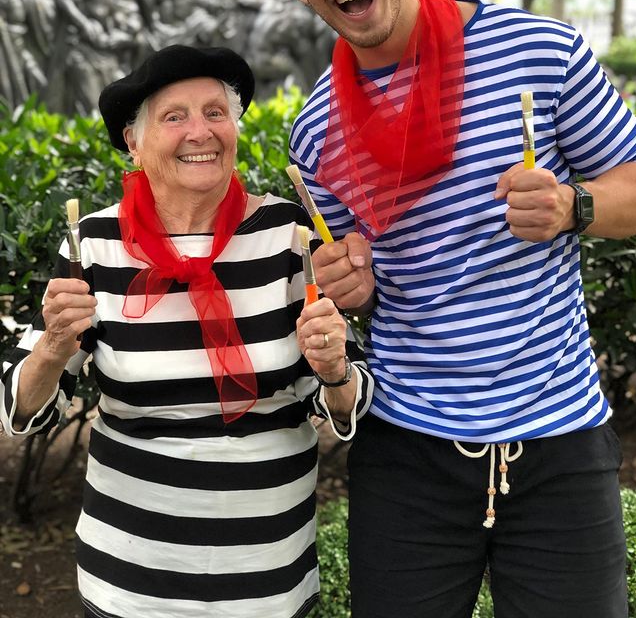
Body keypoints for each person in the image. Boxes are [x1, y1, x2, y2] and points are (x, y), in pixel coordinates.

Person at [262, 0, 636, 618]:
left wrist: (576, 206)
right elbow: (358, 283)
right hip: (408, 456)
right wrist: (353, 288)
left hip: (560, 441)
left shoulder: (542, 52)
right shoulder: (314, 131)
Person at [0, 44, 372, 618]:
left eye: (215, 113)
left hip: (266, 576)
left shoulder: (288, 235)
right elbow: (21, 410)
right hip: (130, 578)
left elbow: (347, 402)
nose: (201, 132)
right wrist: (52, 348)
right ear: (134, 141)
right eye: (175, 116)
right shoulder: (94, 243)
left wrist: (334, 371)